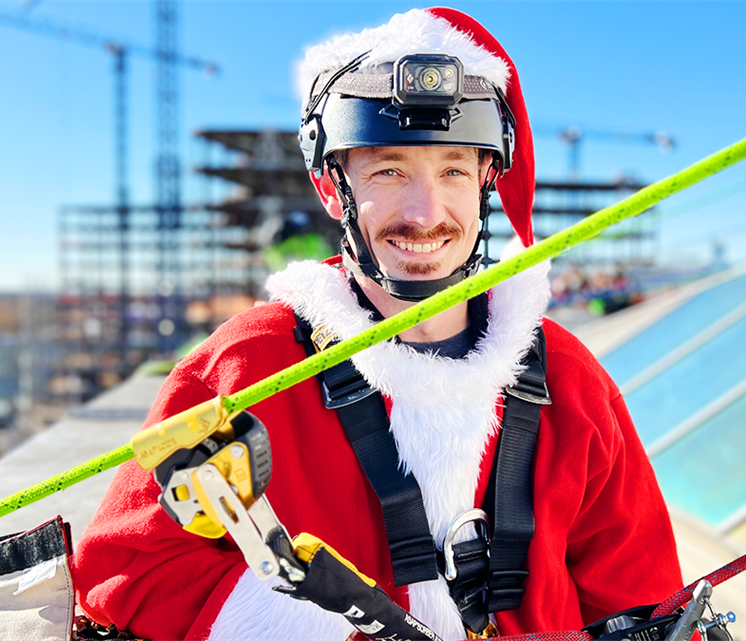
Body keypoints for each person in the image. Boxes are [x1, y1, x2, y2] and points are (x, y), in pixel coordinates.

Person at [73, 8, 682, 641]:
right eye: (389, 171)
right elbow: (129, 572)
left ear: (485, 183)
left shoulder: (566, 377)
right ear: (332, 188)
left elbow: (641, 593)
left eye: (452, 170)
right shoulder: (249, 368)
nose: (426, 213)